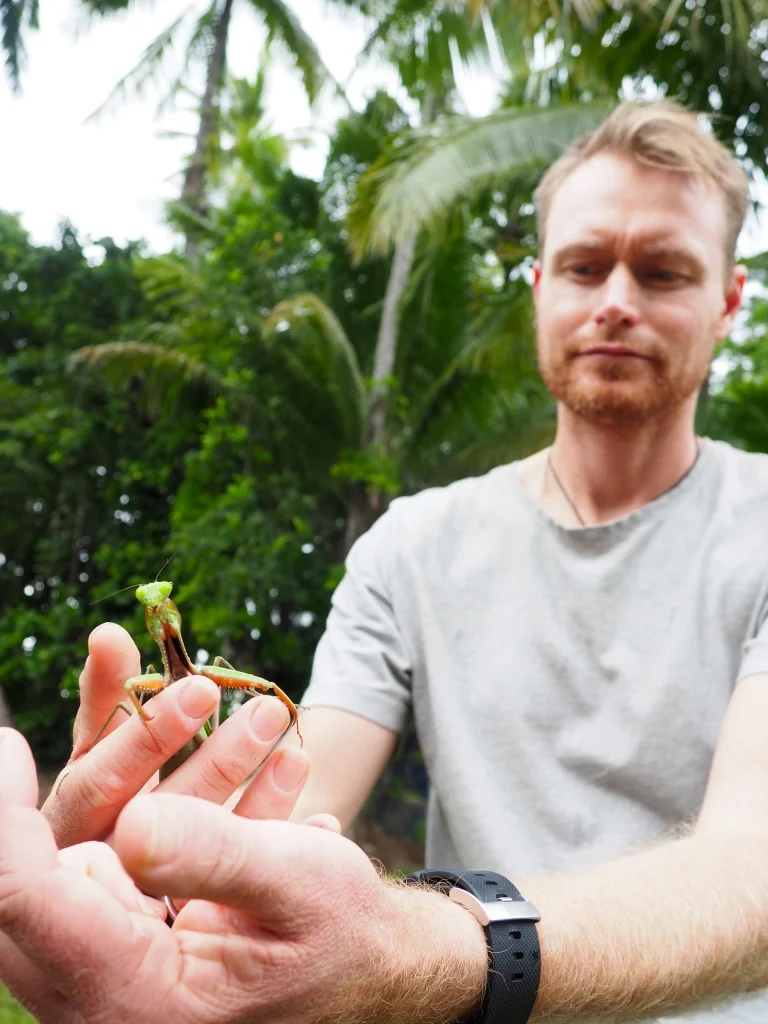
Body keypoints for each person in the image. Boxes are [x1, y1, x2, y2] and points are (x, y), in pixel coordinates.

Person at [2, 97, 768, 1023]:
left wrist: (426, 947)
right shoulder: (412, 545)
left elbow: (754, 870)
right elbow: (301, 783)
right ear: (538, 285)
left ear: (729, 302)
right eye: (583, 265)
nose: (616, 300)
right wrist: (170, 874)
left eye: (663, 271)